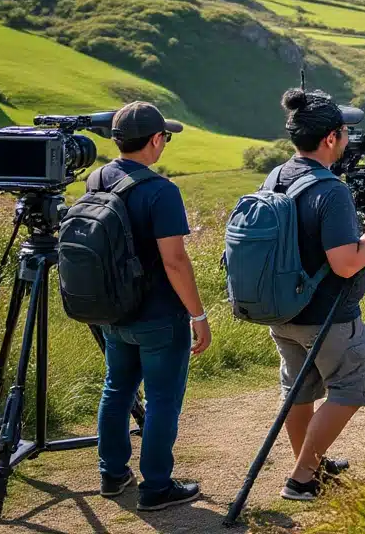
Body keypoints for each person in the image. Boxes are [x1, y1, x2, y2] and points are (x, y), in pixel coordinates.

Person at [267, 88, 365, 500]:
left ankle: (310, 464)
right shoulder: (331, 190)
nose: (347, 139)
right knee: (354, 384)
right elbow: (345, 263)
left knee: (299, 391)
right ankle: (304, 476)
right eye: (344, 132)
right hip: (326, 314)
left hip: (282, 309)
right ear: (330, 139)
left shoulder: (277, 176)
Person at [94, 102, 209, 511]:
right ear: (156, 139)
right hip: (159, 315)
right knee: (162, 399)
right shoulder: (162, 191)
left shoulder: (97, 178)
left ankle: (112, 474)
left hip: (113, 310)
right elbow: (174, 260)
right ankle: (157, 486)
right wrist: (198, 314)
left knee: (116, 389)